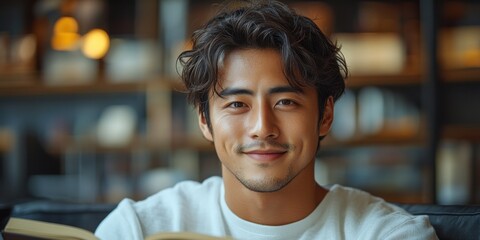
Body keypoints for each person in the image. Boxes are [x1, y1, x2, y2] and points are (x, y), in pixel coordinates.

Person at [95, 1, 438, 239]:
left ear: (325, 115)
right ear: (204, 119)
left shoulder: (388, 234)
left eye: (286, 101)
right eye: (237, 105)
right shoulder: (138, 229)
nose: (262, 127)